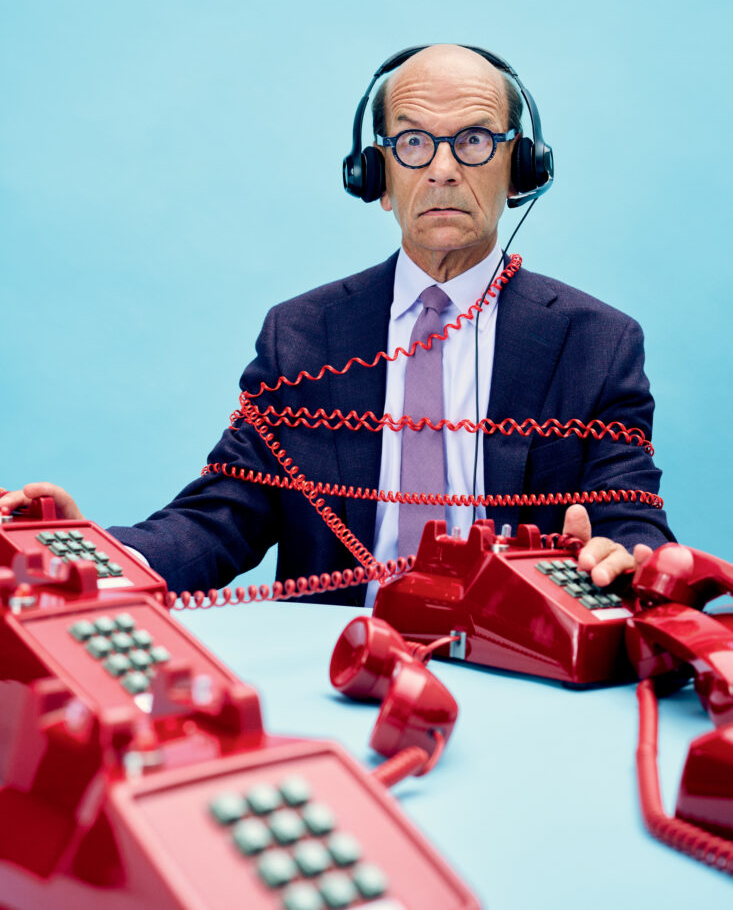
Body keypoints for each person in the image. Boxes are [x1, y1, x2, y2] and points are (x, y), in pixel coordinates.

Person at [0, 45, 675, 603]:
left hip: (518, 661)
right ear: (375, 177)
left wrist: (626, 556)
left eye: (472, 140)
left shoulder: (596, 342)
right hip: (339, 666)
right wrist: (91, 558)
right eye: (412, 142)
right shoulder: (301, 336)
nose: (442, 169)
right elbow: (222, 516)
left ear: (520, 169)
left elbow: (629, 517)